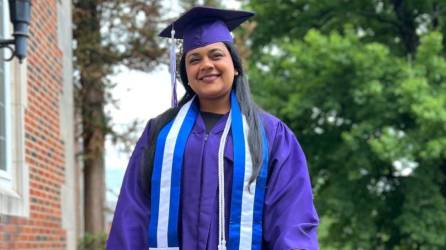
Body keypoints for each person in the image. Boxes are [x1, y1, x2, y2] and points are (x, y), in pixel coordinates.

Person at [107, 6, 319, 250]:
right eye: (194, 59)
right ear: (186, 73)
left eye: (216, 55)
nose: (206, 65)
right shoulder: (160, 133)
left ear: (235, 65)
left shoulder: (272, 136)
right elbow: (132, 215)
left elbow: (291, 219)